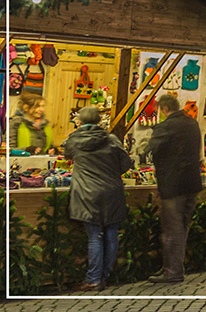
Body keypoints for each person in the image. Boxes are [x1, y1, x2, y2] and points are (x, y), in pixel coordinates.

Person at [63, 107, 132, 291]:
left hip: (87, 193)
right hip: (112, 191)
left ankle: (93, 278)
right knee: (111, 233)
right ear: (99, 120)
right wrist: (110, 173)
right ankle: (104, 276)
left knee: (94, 235)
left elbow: (66, 156)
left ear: (80, 121)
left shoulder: (74, 140)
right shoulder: (112, 140)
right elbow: (127, 163)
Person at [147, 93, 203, 283]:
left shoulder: (165, 127)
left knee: (172, 229)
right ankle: (175, 268)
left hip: (173, 184)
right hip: (192, 183)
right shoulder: (192, 124)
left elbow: (152, 149)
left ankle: (172, 271)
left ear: (163, 109)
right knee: (183, 226)